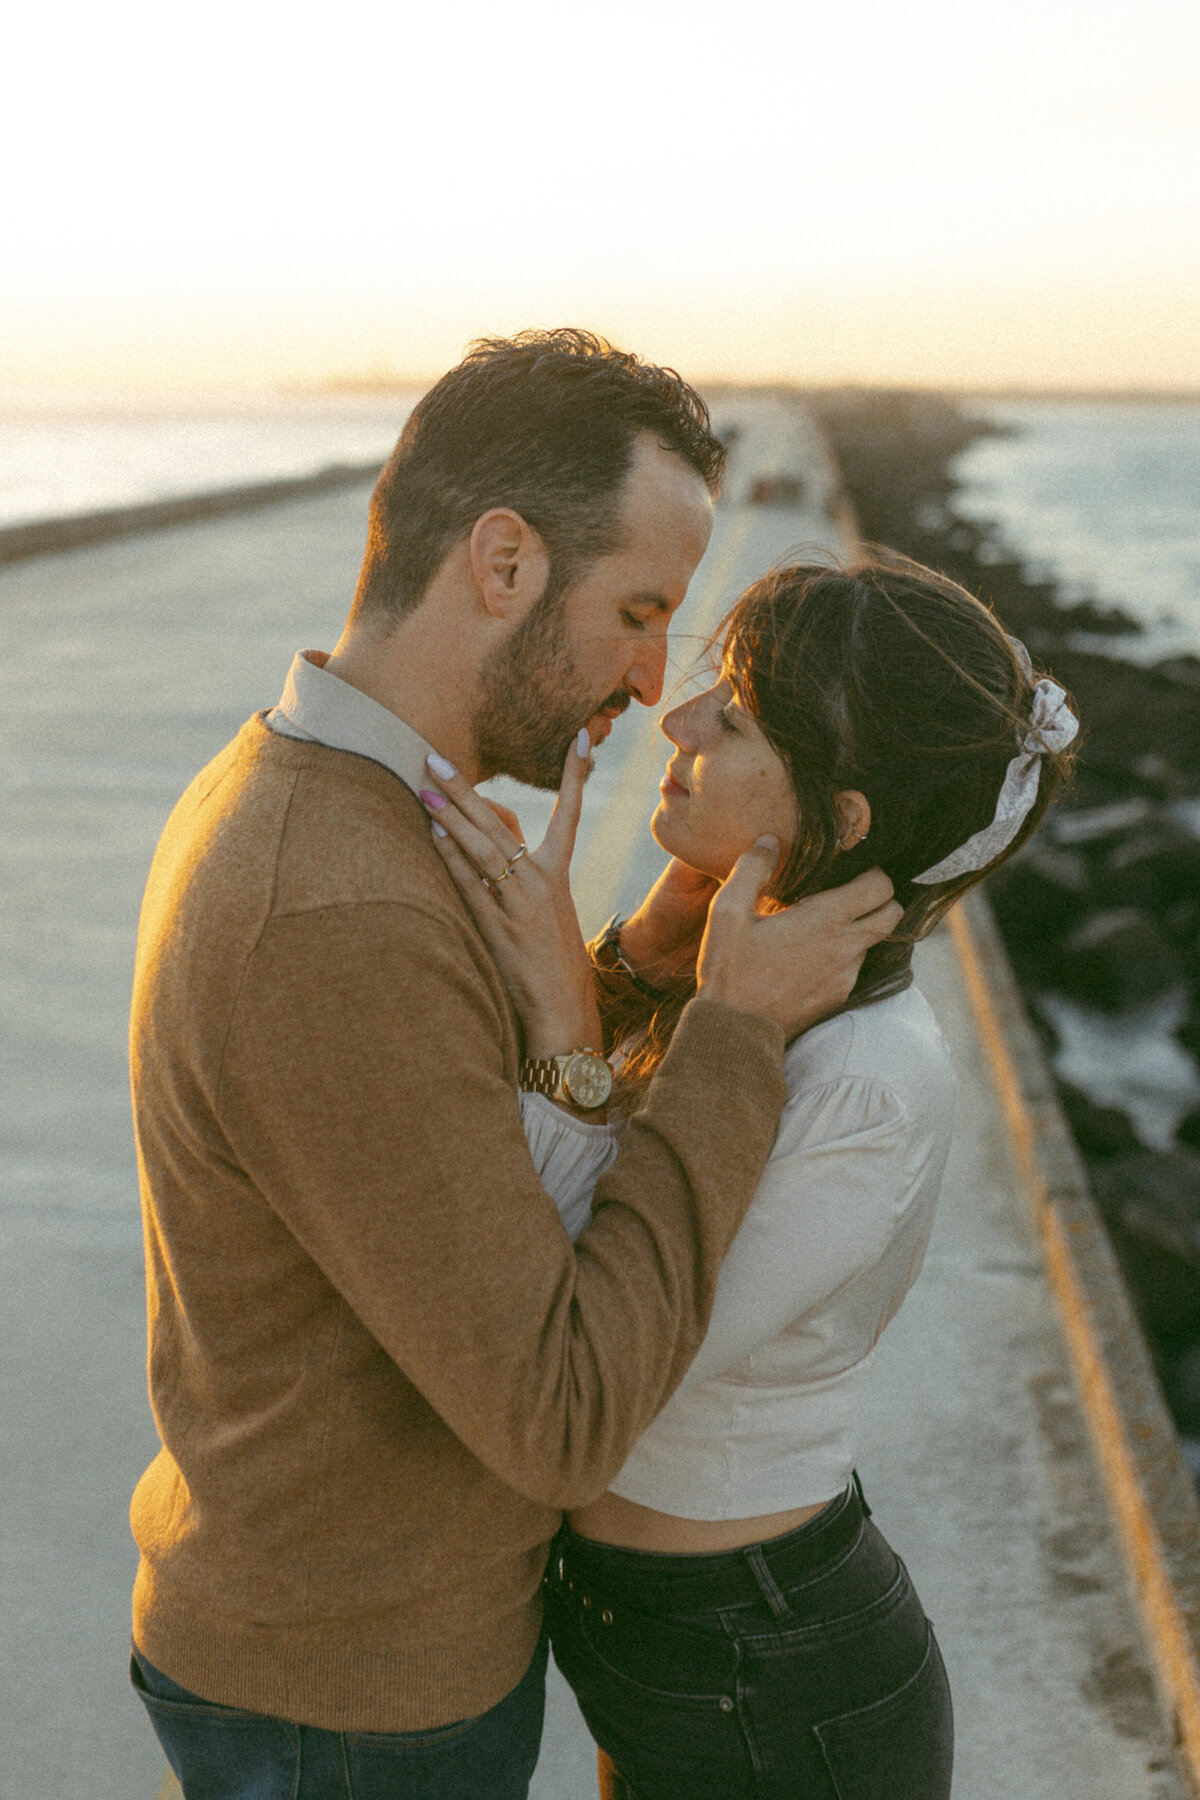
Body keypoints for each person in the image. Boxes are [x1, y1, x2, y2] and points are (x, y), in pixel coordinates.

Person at [127, 329, 902, 1800]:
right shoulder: (334, 900)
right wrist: (730, 1038)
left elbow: (431, 1140)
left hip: (335, 1658)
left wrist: (629, 978)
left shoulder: (330, 798)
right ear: (501, 564)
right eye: (637, 609)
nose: (649, 679)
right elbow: (557, 1414)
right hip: (352, 1703)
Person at [423, 550, 1079, 1800]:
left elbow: (589, 1326)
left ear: (836, 825)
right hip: (676, 1634)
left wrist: (567, 1018)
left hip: (770, 1664)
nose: (676, 719)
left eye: (734, 715)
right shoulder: (738, 1002)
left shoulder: (861, 1078)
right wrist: (620, 971)